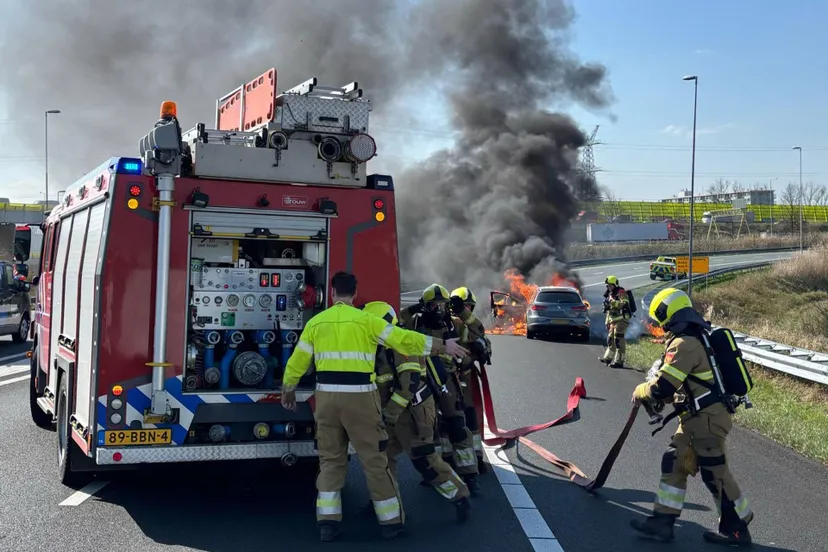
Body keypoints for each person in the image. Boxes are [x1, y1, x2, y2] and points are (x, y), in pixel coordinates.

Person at [281, 272, 470, 542]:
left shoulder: (315, 323)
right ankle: (390, 522)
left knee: (331, 461)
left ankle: (327, 524)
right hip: (360, 399)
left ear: (332, 293)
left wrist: (287, 389)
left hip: (326, 399)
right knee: (375, 460)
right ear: (355, 293)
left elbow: (298, 361)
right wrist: (442, 345)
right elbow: (406, 340)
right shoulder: (368, 322)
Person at [630, 287, 753, 546]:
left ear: (668, 315)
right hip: (697, 420)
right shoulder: (693, 338)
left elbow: (663, 387)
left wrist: (641, 389)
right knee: (674, 462)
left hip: (706, 422)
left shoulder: (684, 344)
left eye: (659, 318)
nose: (659, 324)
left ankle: (737, 527)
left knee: (715, 473)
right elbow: (679, 386)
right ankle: (662, 523)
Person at [362, 300, 472, 522]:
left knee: (425, 460)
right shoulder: (377, 346)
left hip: (413, 414)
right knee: (382, 460)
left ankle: (460, 497)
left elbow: (409, 382)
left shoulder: (401, 344)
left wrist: (390, 412)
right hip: (391, 415)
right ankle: (384, 505)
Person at [399, 284, 481, 494]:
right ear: (425, 306)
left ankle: (470, 475)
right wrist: (413, 309)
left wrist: (462, 311)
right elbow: (395, 323)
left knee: (457, 425)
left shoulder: (454, 324)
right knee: (429, 430)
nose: (439, 309)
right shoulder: (416, 323)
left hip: (448, 381)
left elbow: (478, 331)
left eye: (443, 305)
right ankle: (436, 474)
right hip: (424, 382)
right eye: (434, 305)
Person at [449, 286, 492, 473]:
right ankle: (446, 460)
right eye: (463, 306)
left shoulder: (469, 326)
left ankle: (477, 457)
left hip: (465, 380)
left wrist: (479, 351)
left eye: (469, 307)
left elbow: (483, 339)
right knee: (444, 422)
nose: (467, 310)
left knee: (470, 418)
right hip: (446, 380)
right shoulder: (445, 323)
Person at [599, 275, 631, 368]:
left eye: (610, 285)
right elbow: (609, 311)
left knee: (618, 340)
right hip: (613, 321)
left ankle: (619, 362)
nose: (609, 287)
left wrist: (612, 303)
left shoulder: (621, 292)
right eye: (607, 286)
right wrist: (607, 322)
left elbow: (624, 304)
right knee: (610, 340)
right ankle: (608, 358)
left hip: (622, 320)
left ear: (615, 285)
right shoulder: (610, 295)